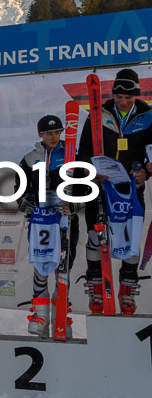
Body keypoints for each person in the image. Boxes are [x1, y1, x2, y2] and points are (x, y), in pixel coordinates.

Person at [78, 68, 151, 315]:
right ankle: (97, 286)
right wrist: (90, 172)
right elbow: (85, 149)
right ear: (113, 93)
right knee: (95, 236)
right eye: (119, 97)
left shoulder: (147, 115)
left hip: (130, 187)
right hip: (101, 186)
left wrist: (147, 173)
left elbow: (151, 152)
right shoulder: (99, 113)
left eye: (128, 98)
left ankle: (127, 290)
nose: (122, 101)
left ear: (136, 96)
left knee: (129, 240)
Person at [16, 114, 82, 338]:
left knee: (63, 266)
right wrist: (23, 202)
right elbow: (19, 186)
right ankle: (41, 315)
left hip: (65, 220)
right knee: (40, 263)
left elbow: (86, 187)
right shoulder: (30, 158)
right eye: (49, 133)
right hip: (40, 220)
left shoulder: (72, 155)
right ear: (40, 135)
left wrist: (75, 205)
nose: (54, 137)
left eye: (57, 132)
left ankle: (61, 315)